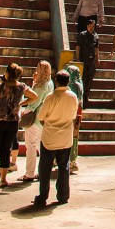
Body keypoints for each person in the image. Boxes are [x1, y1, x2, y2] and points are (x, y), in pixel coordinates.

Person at [0, 64, 38, 189]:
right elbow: (35, 96)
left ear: (7, 73)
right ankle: (3, 179)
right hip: (13, 121)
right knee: (6, 149)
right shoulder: (22, 87)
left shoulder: (0, 86)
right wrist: (22, 103)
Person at [32, 69, 79, 208]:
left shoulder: (51, 97)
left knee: (45, 168)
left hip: (50, 137)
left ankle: (43, 196)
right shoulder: (73, 96)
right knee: (63, 167)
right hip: (65, 137)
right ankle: (63, 195)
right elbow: (73, 115)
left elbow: (41, 116)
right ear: (68, 81)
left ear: (56, 81)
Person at [20, 60, 54, 183]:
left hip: (35, 118)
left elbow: (34, 102)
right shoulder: (50, 83)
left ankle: (29, 173)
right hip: (44, 118)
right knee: (40, 146)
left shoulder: (42, 85)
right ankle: (42, 171)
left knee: (30, 146)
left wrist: (24, 111)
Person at [64, 63, 84, 173]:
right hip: (78, 112)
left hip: (70, 112)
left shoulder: (71, 85)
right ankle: (72, 159)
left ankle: (69, 159)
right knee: (74, 136)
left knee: (68, 135)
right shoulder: (80, 84)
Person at [78, 18, 99, 108]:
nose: (91, 28)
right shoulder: (82, 35)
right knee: (83, 78)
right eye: (90, 26)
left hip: (92, 60)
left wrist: (98, 58)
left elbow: (97, 48)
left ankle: (86, 95)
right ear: (87, 26)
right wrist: (77, 58)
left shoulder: (96, 36)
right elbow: (78, 47)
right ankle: (81, 95)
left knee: (90, 78)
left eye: (93, 26)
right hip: (83, 58)